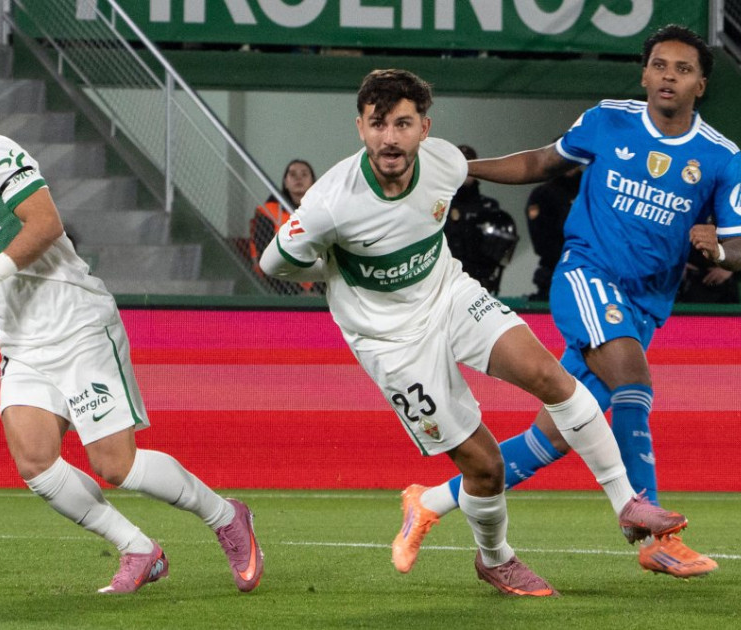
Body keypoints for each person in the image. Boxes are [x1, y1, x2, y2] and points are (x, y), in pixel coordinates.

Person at [261, 68, 689, 597]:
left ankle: (628, 503)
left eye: (403, 123)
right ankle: (496, 559)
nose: (390, 138)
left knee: (552, 378)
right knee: (485, 469)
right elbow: (273, 262)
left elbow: (531, 164)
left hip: (450, 295)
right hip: (391, 343)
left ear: (425, 128)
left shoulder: (443, 161)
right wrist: (331, 273)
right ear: (360, 128)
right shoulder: (330, 204)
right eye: (378, 124)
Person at [393, 24, 741, 579]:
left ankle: (430, 502)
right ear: (644, 74)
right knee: (633, 379)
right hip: (587, 276)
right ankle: (654, 533)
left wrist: (720, 253)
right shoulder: (609, 118)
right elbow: (542, 162)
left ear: (700, 85)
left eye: (683, 70)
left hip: (645, 305)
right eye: (660, 65)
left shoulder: (720, 156)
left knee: (559, 434)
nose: (668, 76)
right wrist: (465, 170)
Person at [0, 64, 264, 594]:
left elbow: (45, 224)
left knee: (115, 465)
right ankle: (139, 549)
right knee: (35, 462)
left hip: (77, 324)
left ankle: (227, 516)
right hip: (22, 343)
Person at [444, 144, 518, 294]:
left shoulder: (489, 208)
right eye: (460, 164)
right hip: (444, 281)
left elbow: (501, 253)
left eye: (469, 164)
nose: (465, 171)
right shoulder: (440, 203)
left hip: (479, 282)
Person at [249, 158, 320, 294]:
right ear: (285, 182)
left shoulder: (323, 212)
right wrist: (298, 292)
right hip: (279, 286)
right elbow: (263, 254)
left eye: (304, 174)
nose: (298, 178)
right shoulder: (268, 212)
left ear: (313, 182)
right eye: (293, 174)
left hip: (320, 285)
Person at [524, 163, 581, 301]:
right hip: (553, 267)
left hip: (589, 267)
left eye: (573, 160)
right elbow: (539, 236)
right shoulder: (543, 193)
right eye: (565, 161)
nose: (569, 165)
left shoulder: (591, 190)